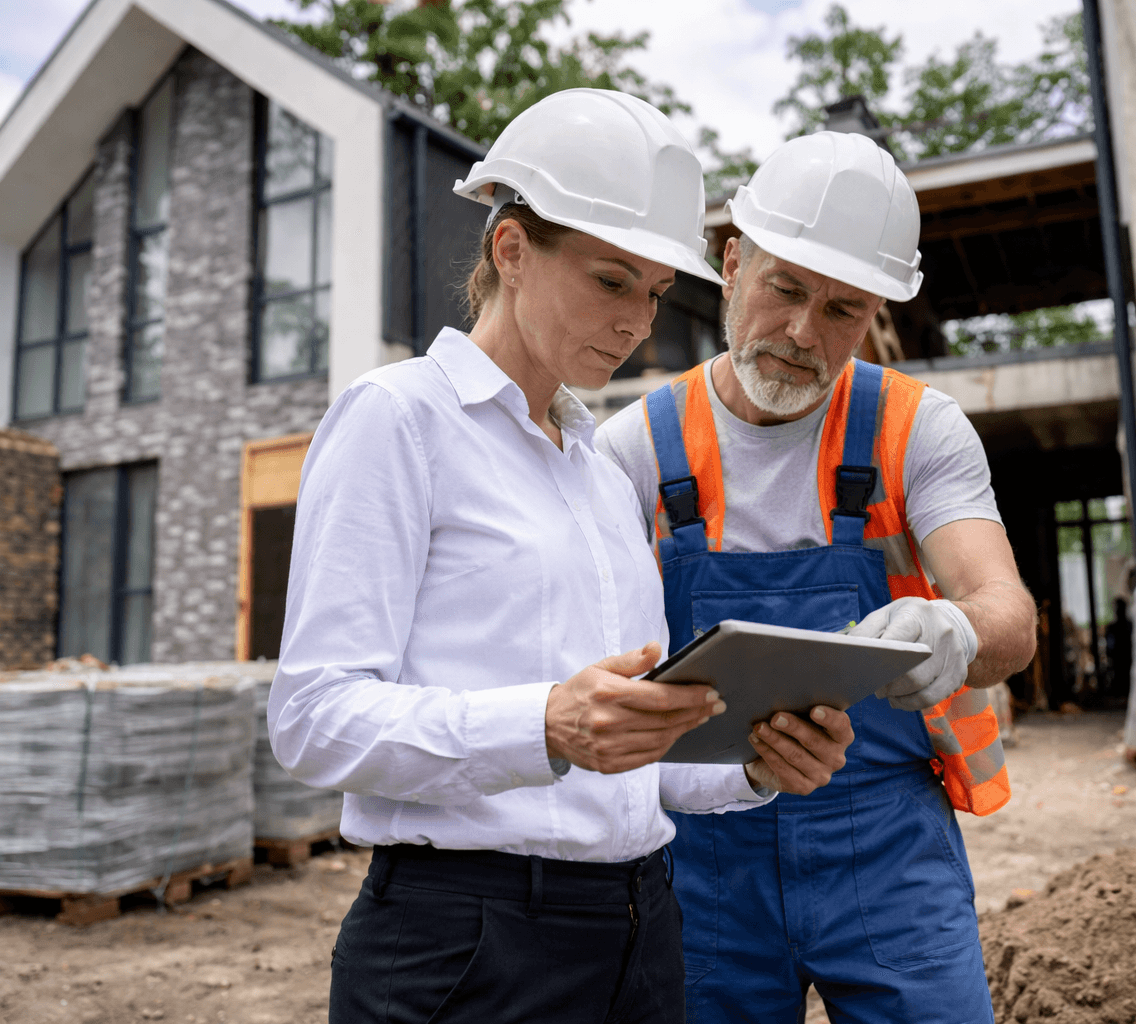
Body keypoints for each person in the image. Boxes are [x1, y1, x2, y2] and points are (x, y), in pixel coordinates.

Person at [268, 90, 855, 1024]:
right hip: (467, 944)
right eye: (611, 281)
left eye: (657, 293)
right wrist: (542, 723)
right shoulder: (400, 419)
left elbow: (630, 759)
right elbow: (312, 717)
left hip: (640, 932)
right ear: (510, 250)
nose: (638, 323)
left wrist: (754, 763)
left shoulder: (601, 476)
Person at [597, 131, 1038, 1024]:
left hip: (885, 846)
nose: (803, 333)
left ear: (875, 309)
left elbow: (1009, 617)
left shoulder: (917, 429)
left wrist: (956, 633)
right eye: (784, 289)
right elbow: (595, 663)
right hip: (703, 849)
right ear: (731, 264)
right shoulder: (634, 449)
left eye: (841, 309)